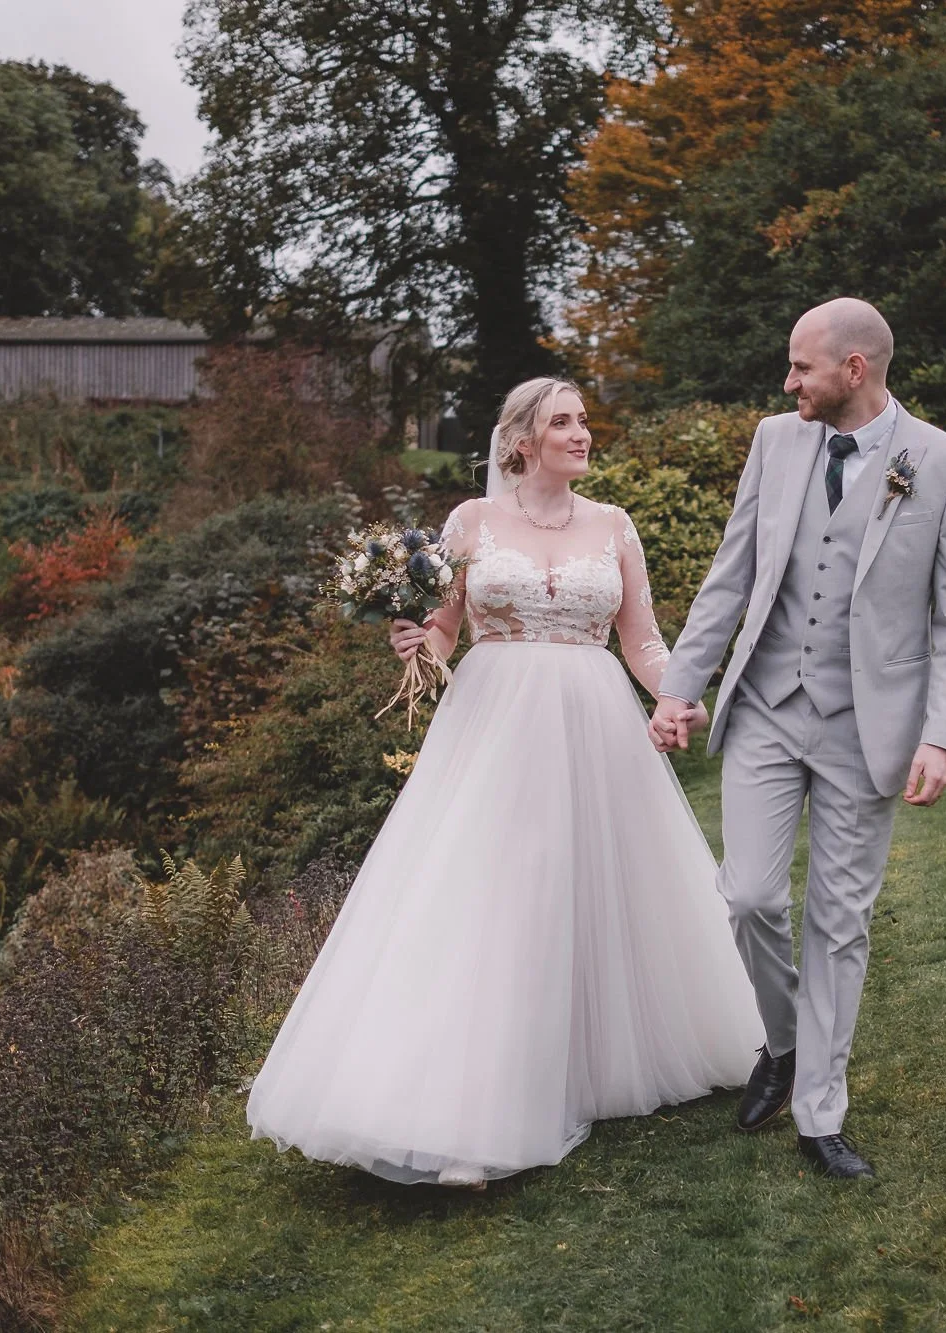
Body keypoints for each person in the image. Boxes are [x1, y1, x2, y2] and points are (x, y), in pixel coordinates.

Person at [245, 377, 764, 1188]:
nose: (582, 433)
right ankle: (469, 1116)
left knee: (596, 888)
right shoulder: (472, 521)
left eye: (584, 420)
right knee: (496, 895)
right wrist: (415, 641)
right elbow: (445, 632)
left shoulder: (614, 525)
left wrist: (677, 694)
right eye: (564, 422)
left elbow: (642, 642)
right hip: (495, 727)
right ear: (522, 441)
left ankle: (591, 1062)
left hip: (595, 723)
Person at [649, 297, 946, 1180]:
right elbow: (731, 574)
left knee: (840, 922)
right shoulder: (776, 441)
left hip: (866, 728)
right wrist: (681, 686)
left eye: (801, 367)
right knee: (749, 896)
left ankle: (820, 1113)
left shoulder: (945, 463)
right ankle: (788, 1040)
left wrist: (942, 737)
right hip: (766, 706)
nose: (787, 381)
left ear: (854, 369)